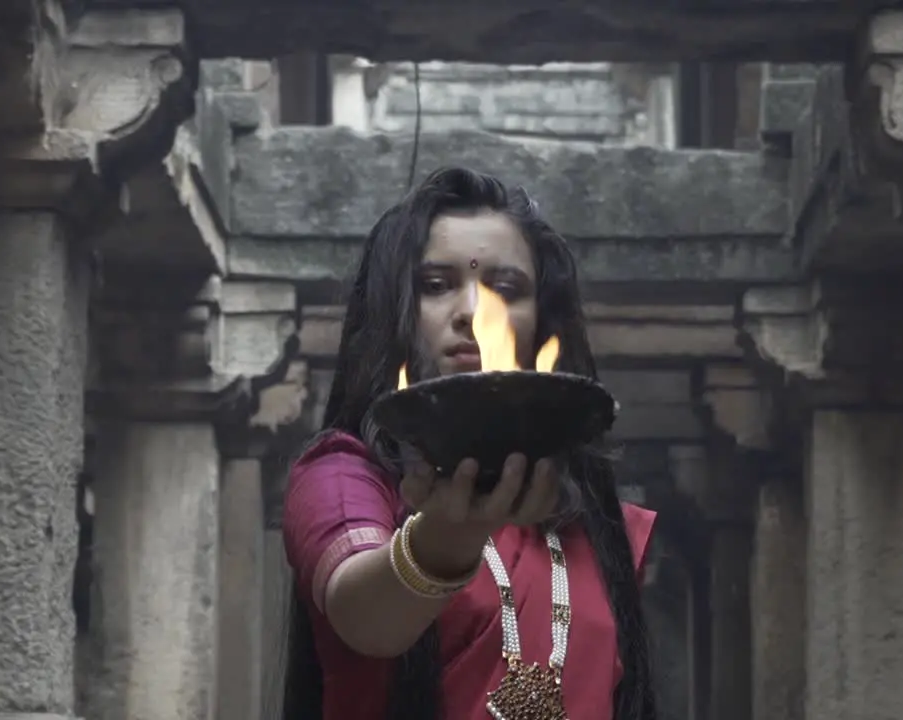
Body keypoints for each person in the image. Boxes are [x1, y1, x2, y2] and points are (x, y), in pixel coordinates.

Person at [279, 167, 658, 720]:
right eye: (435, 285)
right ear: (396, 312)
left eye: (506, 289)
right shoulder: (343, 477)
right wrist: (448, 538)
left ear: (543, 322)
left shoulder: (596, 525)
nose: (474, 313)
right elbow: (364, 613)